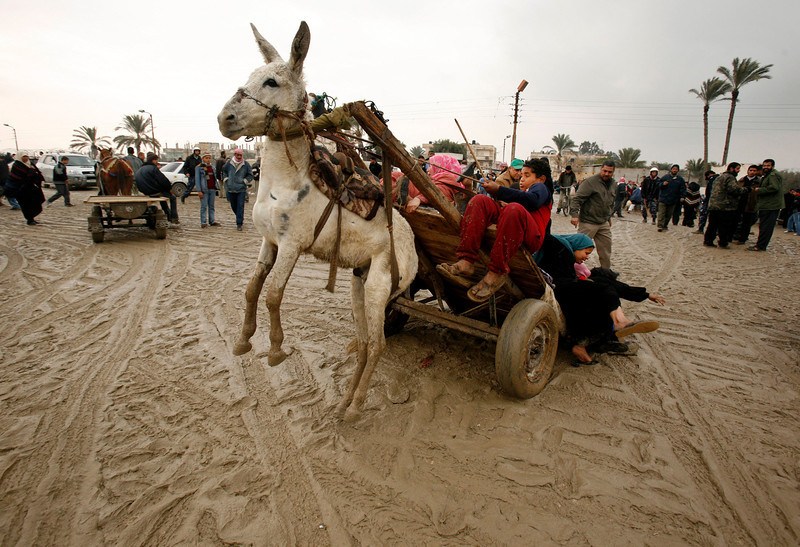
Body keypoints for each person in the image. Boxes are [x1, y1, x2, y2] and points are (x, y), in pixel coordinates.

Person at [436, 158, 553, 303]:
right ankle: (466, 260)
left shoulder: (541, 188)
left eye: (527, 175)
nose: (522, 179)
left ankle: (497, 272)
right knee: (479, 200)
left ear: (541, 179)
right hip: (514, 224)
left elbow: (532, 201)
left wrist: (499, 190)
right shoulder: (521, 190)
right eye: (521, 175)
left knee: (513, 209)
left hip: (532, 237)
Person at [535, 233, 663, 364]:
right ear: (577, 246)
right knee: (604, 290)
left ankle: (582, 344)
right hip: (561, 289)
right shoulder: (560, 247)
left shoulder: (570, 261)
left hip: (566, 290)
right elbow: (545, 233)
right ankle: (618, 322)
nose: (587, 257)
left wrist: (646, 295)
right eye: (586, 252)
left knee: (604, 284)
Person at [570, 160, 615, 269]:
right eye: (604, 171)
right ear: (601, 169)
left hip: (603, 222)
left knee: (606, 252)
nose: (606, 174)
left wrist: (608, 217)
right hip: (588, 222)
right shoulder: (590, 182)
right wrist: (575, 215)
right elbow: (577, 199)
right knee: (578, 249)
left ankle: (606, 273)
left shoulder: (614, 184)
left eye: (609, 172)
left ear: (613, 172)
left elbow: (610, 202)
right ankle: (571, 270)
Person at [703, 162, 746, 248]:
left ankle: (708, 241)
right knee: (724, 226)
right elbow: (733, 190)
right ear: (731, 169)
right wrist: (745, 190)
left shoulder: (719, 177)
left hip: (714, 205)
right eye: (737, 168)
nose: (739, 171)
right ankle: (723, 243)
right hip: (725, 206)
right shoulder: (730, 177)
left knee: (712, 225)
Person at [749, 158, 784, 251]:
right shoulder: (768, 175)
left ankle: (760, 246)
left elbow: (774, 187)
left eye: (768, 165)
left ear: (772, 166)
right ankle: (760, 244)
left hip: (770, 205)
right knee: (764, 226)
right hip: (767, 204)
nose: (766, 167)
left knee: (766, 227)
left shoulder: (773, 175)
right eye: (764, 165)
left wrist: (759, 190)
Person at [134, 152, 179, 223]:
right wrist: (169, 189)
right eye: (156, 160)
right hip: (153, 191)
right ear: (153, 160)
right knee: (172, 197)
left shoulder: (140, 169)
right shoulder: (153, 168)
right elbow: (163, 180)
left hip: (144, 191)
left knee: (163, 195)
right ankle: (173, 217)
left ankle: (168, 215)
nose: (157, 162)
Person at [6, 152, 46, 225]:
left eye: (27, 156)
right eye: (24, 156)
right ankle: (29, 219)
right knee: (26, 205)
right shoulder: (16, 165)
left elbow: (37, 173)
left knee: (34, 202)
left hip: (31, 188)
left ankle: (32, 218)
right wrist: (30, 173)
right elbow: (17, 177)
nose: (26, 158)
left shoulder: (30, 164)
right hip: (21, 189)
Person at [222, 148, 254, 231]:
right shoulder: (229, 163)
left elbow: (250, 175)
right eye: (237, 155)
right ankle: (239, 217)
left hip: (241, 189)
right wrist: (226, 179)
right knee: (233, 206)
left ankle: (239, 223)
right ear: (235, 155)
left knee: (240, 206)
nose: (239, 157)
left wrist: (245, 181)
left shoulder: (245, 164)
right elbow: (223, 171)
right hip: (231, 188)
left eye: (240, 155)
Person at [733, 165, 761, 244]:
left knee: (746, 223)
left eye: (754, 171)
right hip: (739, 203)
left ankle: (742, 239)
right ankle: (732, 236)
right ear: (748, 171)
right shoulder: (741, 180)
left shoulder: (759, 182)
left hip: (751, 205)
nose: (752, 172)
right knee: (735, 221)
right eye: (751, 170)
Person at [655, 164, 686, 232]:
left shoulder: (680, 180)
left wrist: (682, 197)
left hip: (673, 200)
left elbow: (683, 189)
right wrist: (663, 184)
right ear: (671, 170)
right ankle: (660, 226)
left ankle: (665, 225)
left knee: (669, 214)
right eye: (673, 169)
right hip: (663, 198)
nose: (674, 170)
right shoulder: (665, 177)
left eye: (676, 169)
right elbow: (658, 185)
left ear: (678, 170)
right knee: (661, 213)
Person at [195, 152, 220, 228]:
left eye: (209, 158)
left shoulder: (212, 167)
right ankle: (203, 222)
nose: (208, 159)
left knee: (211, 206)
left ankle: (212, 221)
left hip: (212, 189)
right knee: (204, 206)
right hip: (204, 189)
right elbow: (197, 180)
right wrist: (199, 190)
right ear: (203, 159)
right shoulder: (199, 167)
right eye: (206, 158)